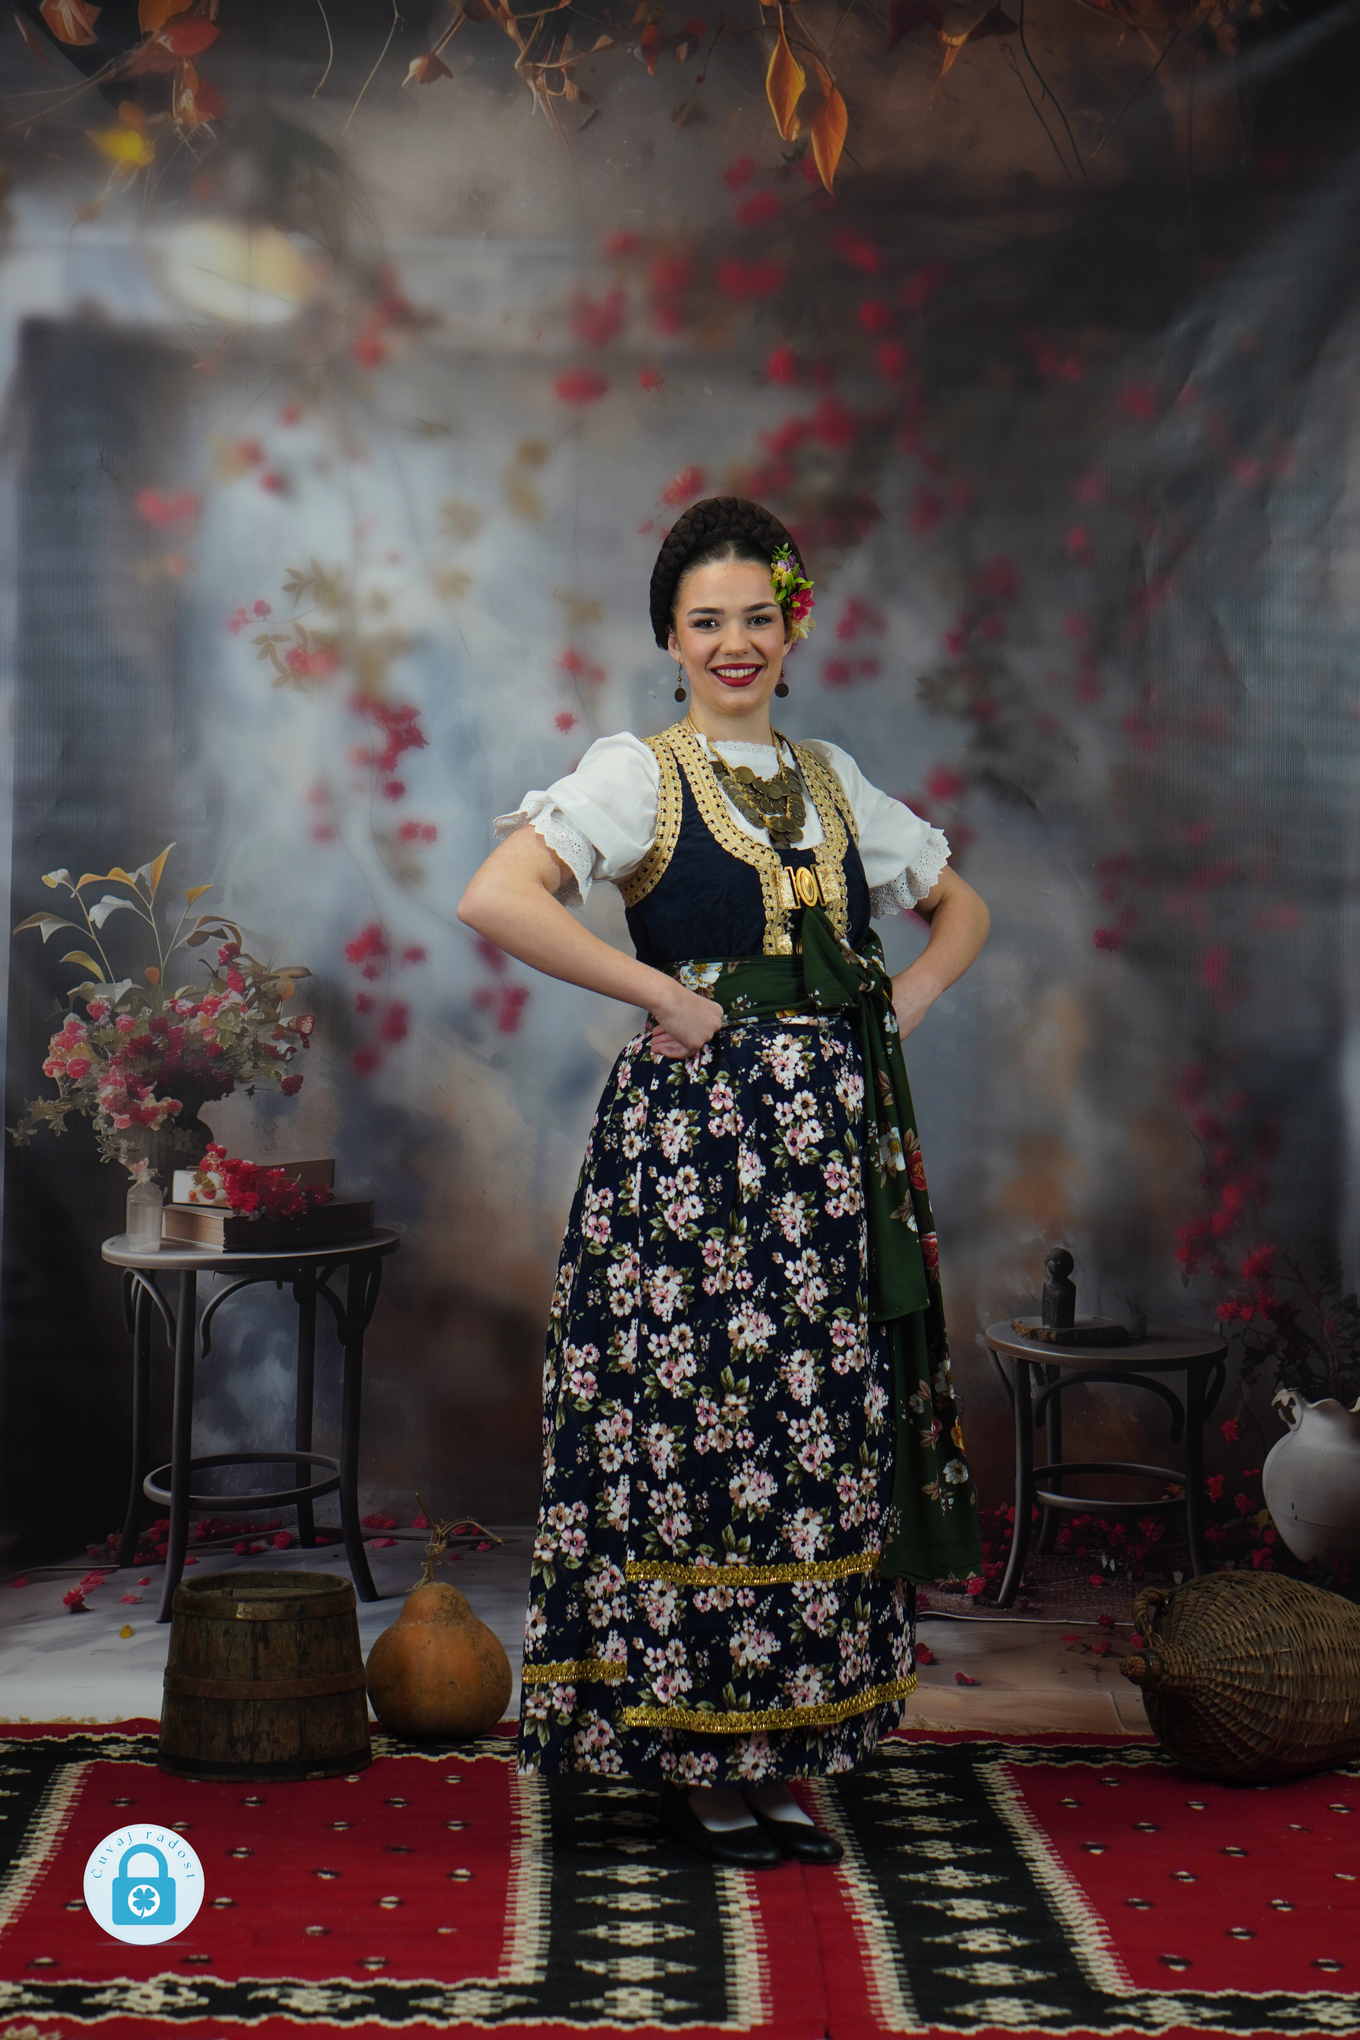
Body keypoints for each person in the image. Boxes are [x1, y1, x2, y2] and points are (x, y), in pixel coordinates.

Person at [458, 495, 989, 1868]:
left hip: (828, 1165)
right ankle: (697, 1754)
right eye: (707, 621)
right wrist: (659, 994)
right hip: (692, 1163)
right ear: (670, 638)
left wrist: (909, 998)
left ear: (792, 625)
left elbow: (960, 907)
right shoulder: (638, 773)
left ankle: (784, 1748)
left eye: (759, 615)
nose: (735, 642)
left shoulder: (832, 780)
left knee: (814, 1435)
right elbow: (498, 896)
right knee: (702, 1431)